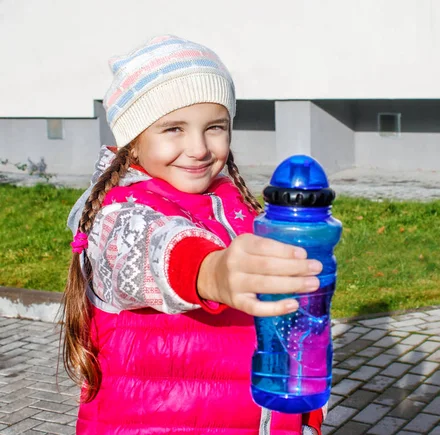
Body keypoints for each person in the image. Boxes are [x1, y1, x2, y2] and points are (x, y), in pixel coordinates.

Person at [62, 35, 326, 434]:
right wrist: (214, 273)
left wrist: (300, 412)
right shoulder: (117, 216)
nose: (199, 148)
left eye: (214, 127)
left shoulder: (236, 205)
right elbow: (157, 250)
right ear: (133, 141)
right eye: (174, 129)